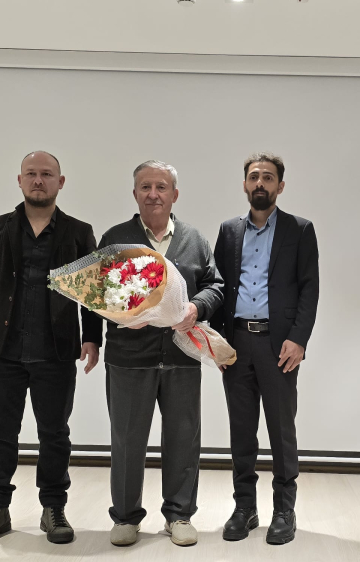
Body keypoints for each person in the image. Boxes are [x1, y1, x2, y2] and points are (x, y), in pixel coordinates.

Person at [0, 151, 102, 547]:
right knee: (0, 434)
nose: (39, 180)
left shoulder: (78, 232)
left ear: (60, 182)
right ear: (19, 180)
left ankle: (53, 508)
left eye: (47, 174)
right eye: (32, 174)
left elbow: (91, 291)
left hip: (56, 351)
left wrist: (93, 338)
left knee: (55, 434)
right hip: (3, 351)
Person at [100, 160, 223, 547]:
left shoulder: (195, 239)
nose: (153, 194)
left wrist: (197, 307)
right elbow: (97, 292)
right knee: (126, 439)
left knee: (184, 437)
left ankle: (179, 515)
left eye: (161, 187)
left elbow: (215, 285)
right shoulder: (115, 239)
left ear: (174, 194)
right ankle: (125, 517)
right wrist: (122, 313)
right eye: (145, 186)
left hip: (182, 356)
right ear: (135, 193)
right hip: (128, 358)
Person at [211, 152, 319, 545]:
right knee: (241, 432)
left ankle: (284, 510)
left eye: (268, 177)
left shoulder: (299, 230)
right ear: (245, 184)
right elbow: (218, 286)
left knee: (281, 431)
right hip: (237, 344)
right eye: (254, 176)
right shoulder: (229, 231)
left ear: (280, 186)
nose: (260, 183)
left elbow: (309, 288)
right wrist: (217, 341)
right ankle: (245, 508)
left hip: (280, 347)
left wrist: (299, 339)